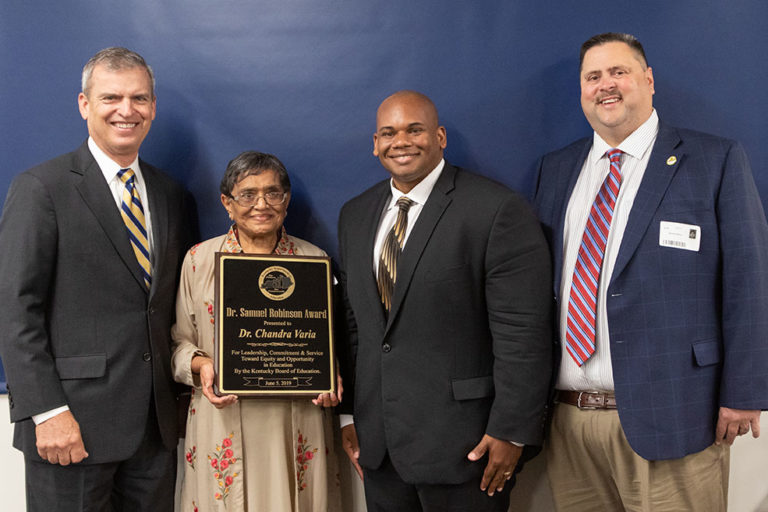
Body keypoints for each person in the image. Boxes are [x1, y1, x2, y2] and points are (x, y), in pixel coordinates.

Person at [533, 32, 768, 511]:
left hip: (677, 413)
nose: (606, 85)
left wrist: (746, 392)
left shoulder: (714, 160)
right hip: (570, 422)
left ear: (649, 80)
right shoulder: (556, 171)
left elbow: (751, 282)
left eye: (618, 72)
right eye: (592, 76)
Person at [336, 90, 553, 511]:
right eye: (389, 132)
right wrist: (351, 415)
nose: (401, 141)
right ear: (375, 144)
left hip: (467, 448)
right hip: (380, 446)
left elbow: (523, 333)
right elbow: (355, 325)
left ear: (440, 137)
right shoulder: (355, 214)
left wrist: (512, 431)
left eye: (414, 130)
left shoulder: (495, 209)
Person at [0, 47, 190, 510]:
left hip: (155, 431)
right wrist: (46, 411)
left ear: (153, 107)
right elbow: (14, 308)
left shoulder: (172, 195)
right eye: (111, 98)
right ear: (85, 105)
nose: (127, 110)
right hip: (70, 428)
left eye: (139, 98)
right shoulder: (41, 189)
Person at [171, 150, 342, 511]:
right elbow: (179, 343)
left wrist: (332, 371)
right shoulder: (199, 260)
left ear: (286, 199)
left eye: (273, 193)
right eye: (247, 194)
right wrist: (202, 366)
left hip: (296, 419)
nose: (261, 204)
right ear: (227, 203)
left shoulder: (315, 260)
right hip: (223, 416)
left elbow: (331, 342)